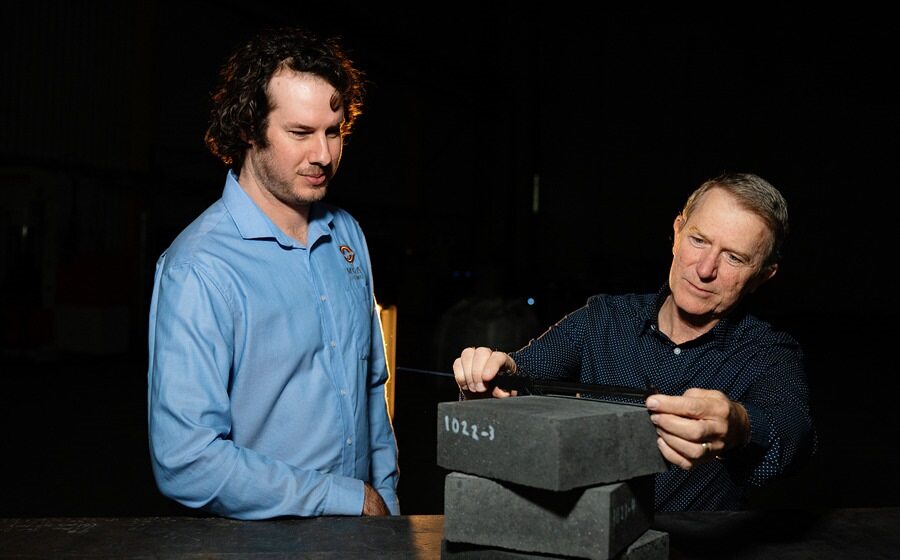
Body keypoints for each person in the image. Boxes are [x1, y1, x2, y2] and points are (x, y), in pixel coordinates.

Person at [146, 27, 399, 519]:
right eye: (300, 133)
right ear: (247, 129)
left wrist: (385, 502)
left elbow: (371, 389)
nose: (323, 155)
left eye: (334, 132)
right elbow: (186, 459)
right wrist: (347, 498)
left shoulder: (347, 236)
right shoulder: (198, 269)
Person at [452, 172, 815, 511]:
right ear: (677, 231)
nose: (705, 269)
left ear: (762, 277)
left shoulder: (769, 355)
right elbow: (523, 371)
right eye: (698, 240)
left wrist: (739, 425)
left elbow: (792, 434)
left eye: (734, 258)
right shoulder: (603, 318)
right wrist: (492, 376)